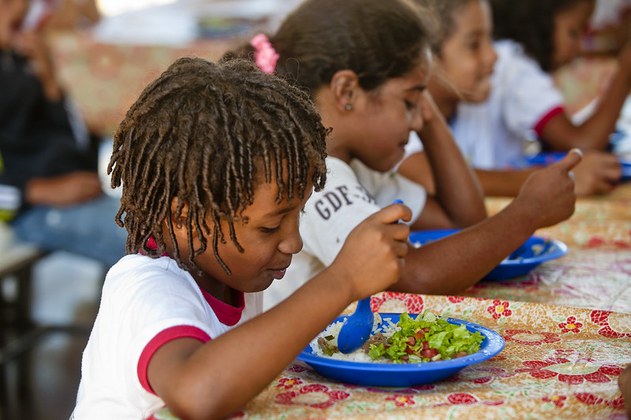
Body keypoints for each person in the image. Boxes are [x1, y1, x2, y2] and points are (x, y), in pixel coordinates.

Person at [71, 57, 413, 419]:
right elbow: (197, 394)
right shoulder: (146, 288)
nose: (293, 243)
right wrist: (342, 281)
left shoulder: (231, 275)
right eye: (270, 227)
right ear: (183, 216)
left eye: (298, 216)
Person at [222, 0, 581, 310]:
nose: (417, 120)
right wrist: (527, 211)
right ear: (347, 91)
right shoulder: (312, 176)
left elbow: (461, 220)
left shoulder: (359, 166)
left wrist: (432, 123)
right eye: (410, 102)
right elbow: (415, 275)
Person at [398, 0, 622, 197]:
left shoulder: (470, 98)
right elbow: (428, 177)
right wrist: (552, 180)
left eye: (490, 39)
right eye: (474, 44)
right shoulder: (402, 110)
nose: (493, 55)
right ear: (426, 56)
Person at [0, 0, 125, 267]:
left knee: (171, 229)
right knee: (161, 244)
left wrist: (50, 81)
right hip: (33, 210)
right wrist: (35, 192)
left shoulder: (17, 60)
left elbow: (77, 137)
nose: (18, 8)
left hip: (80, 194)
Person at [489, 0, 630, 155]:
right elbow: (582, 145)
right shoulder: (518, 69)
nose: (579, 46)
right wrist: (625, 73)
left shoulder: (512, 56)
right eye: (574, 33)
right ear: (543, 22)